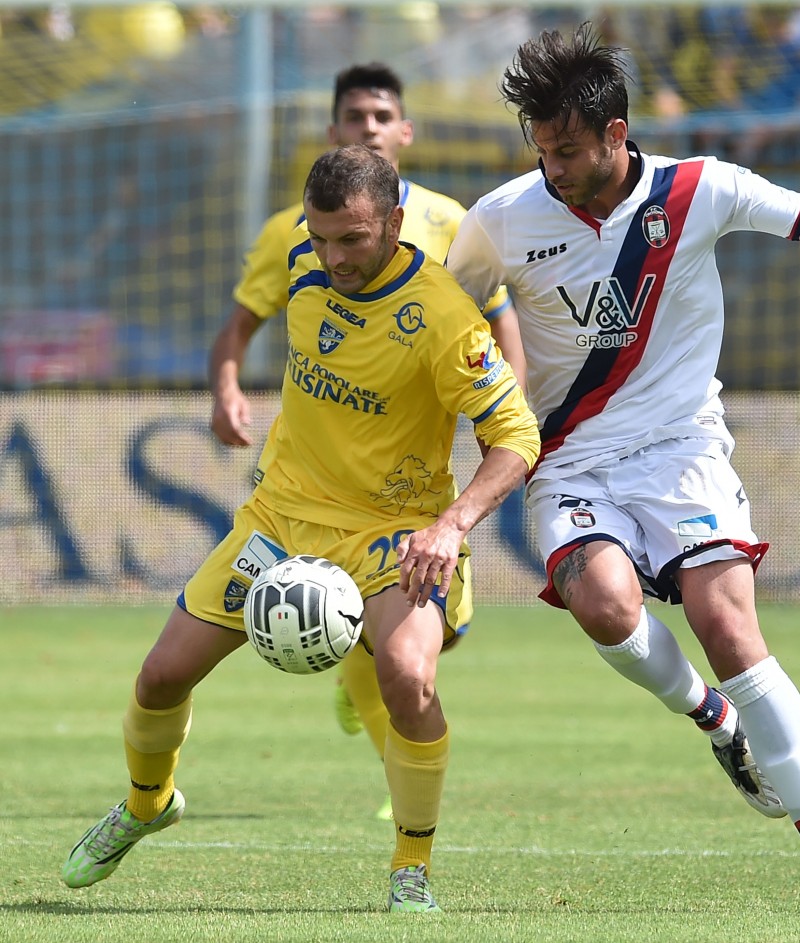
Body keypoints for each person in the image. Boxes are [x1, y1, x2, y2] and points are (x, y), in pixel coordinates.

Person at [445, 23, 800, 917]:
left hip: (683, 447)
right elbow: (443, 314)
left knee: (728, 625)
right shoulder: (501, 217)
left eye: (566, 150)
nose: (551, 169)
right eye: (539, 150)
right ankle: (712, 719)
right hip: (568, 455)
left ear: (616, 135)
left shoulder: (703, 189)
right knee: (603, 603)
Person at [61, 144, 540, 914]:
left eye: (351, 238)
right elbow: (245, 320)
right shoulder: (298, 255)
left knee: (409, 678)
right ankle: (148, 804)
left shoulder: (444, 314)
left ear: (392, 220)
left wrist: (451, 525)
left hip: (395, 529)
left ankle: (410, 867)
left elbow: (518, 436)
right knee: (159, 677)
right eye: (320, 238)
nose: (332, 256)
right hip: (282, 518)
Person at [209, 62, 524, 821]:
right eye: (356, 117)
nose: (370, 128)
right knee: (383, 648)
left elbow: (496, 320)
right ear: (334, 133)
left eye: (382, 116)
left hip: (405, 484)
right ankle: (373, 715)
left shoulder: (453, 223)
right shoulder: (292, 236)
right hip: (310, 481)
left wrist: (514, 409)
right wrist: (226, 383)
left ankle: (359, 676)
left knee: (414, 653)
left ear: (405, 131)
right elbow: (246, 321)